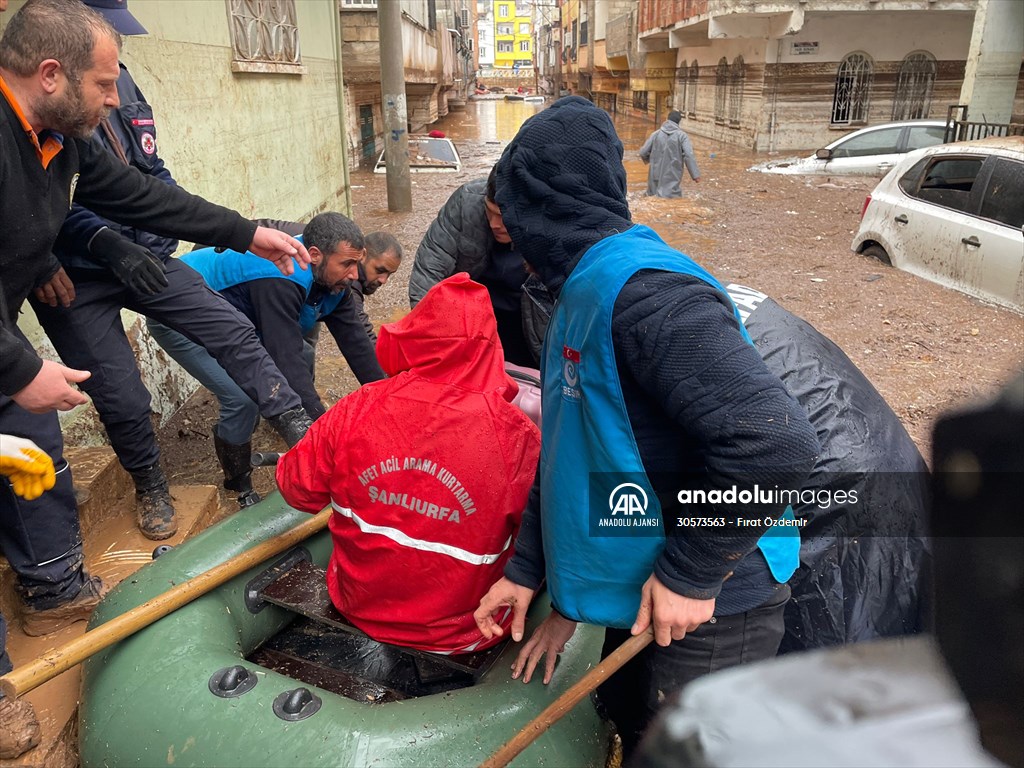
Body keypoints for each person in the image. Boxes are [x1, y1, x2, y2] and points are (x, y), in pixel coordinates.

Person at [0, 1, 308, 755]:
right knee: (58, 408)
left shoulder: (57, 137)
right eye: (105, 85)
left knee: (33, 453)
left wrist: (246, 231)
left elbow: (144, 193)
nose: (117, 98)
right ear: (50, 74)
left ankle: (53, 591)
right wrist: (19, 366)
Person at [473, 96, 819, 758]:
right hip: (640, 594)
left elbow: (775, 443)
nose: (506, 236)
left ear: (541, 208)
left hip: (713, 605)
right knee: (633, 731)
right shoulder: (575, 291)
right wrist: (529, 575)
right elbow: (570, 453)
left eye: (510, 216)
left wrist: (693, 573)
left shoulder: (650, 296)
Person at [29, 0, 315, 540]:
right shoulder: (47, 116)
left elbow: (144, 180)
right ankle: (152, 485)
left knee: (231, 329)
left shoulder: (121, 87)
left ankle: (304, 434)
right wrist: (99, 243)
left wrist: (241, 231)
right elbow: (43, 206)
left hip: (150, 255)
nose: (112, 90)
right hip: (77, 275)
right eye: (105, 55)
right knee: (121, 393)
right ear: (59, 57)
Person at [277, 274, 541, 653]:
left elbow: (296, 490)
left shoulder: (359, 406)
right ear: (490, 349)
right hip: (461, 635)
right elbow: (556, 538)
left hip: (357, 607)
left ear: (419, 336)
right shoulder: (519, 438)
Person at [723, 283, 931, 650]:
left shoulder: (649, 315)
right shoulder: (696, 289)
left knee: (829, 615)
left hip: (829, 472)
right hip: (869, 442)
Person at [147, 213, 385, 507]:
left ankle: (284, 425)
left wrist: (392, 402)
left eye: (355, 264)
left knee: (305, 353)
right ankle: (238, 481)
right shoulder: (281, 277)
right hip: (179, 316)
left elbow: (359, 349)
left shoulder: (333, 279)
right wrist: (323, 440)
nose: (354, 275)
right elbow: (285, 364)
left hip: (233, 317)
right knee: (241, 398)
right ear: (314, 256)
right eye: (346, 264)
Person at [409, 165, 537, 366]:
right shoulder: (465, 203)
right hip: (475, 319)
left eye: (504, 216)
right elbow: (427, 275)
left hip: (528, 322)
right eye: (490, 211)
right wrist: (437, 345)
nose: (495, 223)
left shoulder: (549, 218)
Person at [350, 231, 403, 343]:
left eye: (389, 274)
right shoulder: (348, 280)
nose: (384, 280)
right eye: (380, 270)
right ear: (362, 256)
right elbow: (361, 333)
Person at [639, 109, 700, 198]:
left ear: (667, 119)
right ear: (679, 122)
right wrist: (695, 175)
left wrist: (652, 159)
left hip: (654, 175)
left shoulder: (655, 134)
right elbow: (688, 155)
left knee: (652, 199)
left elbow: (643, 152)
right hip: (672, 177)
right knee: (671, 201)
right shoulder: (682, 136)